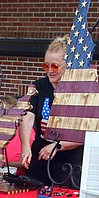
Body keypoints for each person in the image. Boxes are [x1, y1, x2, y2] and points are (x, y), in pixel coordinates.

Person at [18, 36, 84, 187]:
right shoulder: (39, 86)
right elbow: (27, 117)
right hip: (40, 156)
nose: (49, 71)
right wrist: (25, 146)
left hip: (69, 162)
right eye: (45, 66)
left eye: (55, 66)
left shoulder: (81, 91)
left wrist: (58, 145)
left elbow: (83, 132)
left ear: (68, 65)